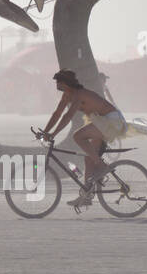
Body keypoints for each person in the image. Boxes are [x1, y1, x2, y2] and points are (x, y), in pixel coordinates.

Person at [42, 69, 129, 210]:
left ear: (67, 83)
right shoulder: (66, 96)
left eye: (59, 82)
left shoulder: (78, 95)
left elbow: (67, 116)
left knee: (78, 136)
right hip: (100, 121)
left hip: (112, 121)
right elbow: (57, 113)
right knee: (89, 159)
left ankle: (102, 166)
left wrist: (53, 134)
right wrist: (46, 131)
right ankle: (86, 196)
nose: (57, 85)